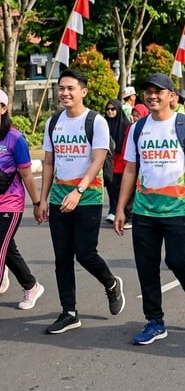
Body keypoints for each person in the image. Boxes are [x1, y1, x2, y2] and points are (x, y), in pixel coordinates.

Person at [115, 73, 185, 345]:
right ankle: (155, 321)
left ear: (172, 96)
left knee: (177, 261)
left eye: (159, 91)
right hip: (144, 211)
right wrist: (120, 208)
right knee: (146, 267)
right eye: (148, 91)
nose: (152, 96)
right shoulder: (138, 128)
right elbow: (130, 170)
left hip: (177, 209)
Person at [40, 69, 125, 334]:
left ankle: (111, 283)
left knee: (85, 253)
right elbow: (48, 163)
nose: (65, 93)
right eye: (61, 88)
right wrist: (42, 200)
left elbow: (97, 160)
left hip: (87, 197)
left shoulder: (95, 121)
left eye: (70, 88)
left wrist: (78, 191)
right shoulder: (53, 122)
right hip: (58, 198)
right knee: (62, 258)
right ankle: (69, 312)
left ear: (83, 92)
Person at [0, 89, 45, 310]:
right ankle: (31, 285)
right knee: (6, 249)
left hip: (10, 202)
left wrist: (37, 204)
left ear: (3, 108)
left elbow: (27, 174)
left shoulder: (15, 138)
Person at [103, 99, 131, 224]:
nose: (110, 111)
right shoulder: (103, 125)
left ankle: (123, 213)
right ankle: (113, 211)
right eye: (108, 109)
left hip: (121, 163)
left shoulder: (125, 126)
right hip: (108, 163)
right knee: (111, 188)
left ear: (118, 110)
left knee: (120, 189)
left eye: (113, 109)